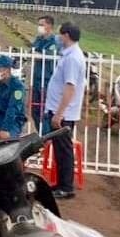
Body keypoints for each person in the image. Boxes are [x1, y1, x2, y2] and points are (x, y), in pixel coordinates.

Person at [44, 22, 86, 199]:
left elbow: (70, 87)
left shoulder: (73, 58)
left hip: (63, 113)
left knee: (64, 150)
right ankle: (61, 184)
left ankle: (66, 187)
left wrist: (60, 113)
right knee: (60, 150)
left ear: (66, 35)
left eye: (60, 35)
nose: (58, 38)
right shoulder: (69, 55)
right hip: (60, 110)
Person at [0, 55, 27, 139]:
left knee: (7, 140)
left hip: (14, 120)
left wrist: (5, 129)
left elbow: (13, 109)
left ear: (7, 70)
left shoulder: (18, 87)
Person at [30, 15, 58, 134]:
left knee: (45, 112)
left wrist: (38, 54)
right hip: (36, 79)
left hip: (47, 81)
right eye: (39, 25)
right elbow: (31, 52)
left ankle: (48, 138)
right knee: (34, 110)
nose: (39, 27)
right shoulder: (38, 39)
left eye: (42, 25)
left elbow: (48, 56)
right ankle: (42, 135)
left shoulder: (54, 41)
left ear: (49, 26)